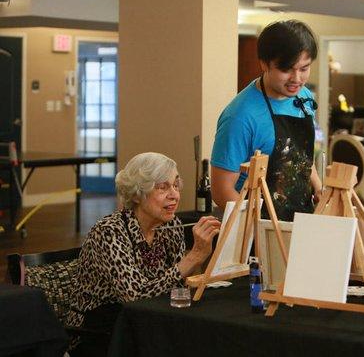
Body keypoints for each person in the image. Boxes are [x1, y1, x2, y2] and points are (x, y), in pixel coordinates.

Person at [67, 152, 221, 356]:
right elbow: (134, 296)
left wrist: (201, 261)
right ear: (137, 194)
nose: (174, 194)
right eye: (162, 187)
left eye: (176, 185)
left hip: (146, 321)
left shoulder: (171, 225)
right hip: (99, 330)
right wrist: (192, 259)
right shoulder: (110, 231)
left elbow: (176, 288)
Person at [211, 20, 322, 221]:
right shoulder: (240, 116)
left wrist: (318, 187)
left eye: (304, 68)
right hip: (257, 229)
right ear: (264, 63)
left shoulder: (304, 97)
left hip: (302, 219)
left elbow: (299, 156)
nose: (296, 79)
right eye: (287, 69)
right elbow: (221, 191)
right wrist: (259, 226)